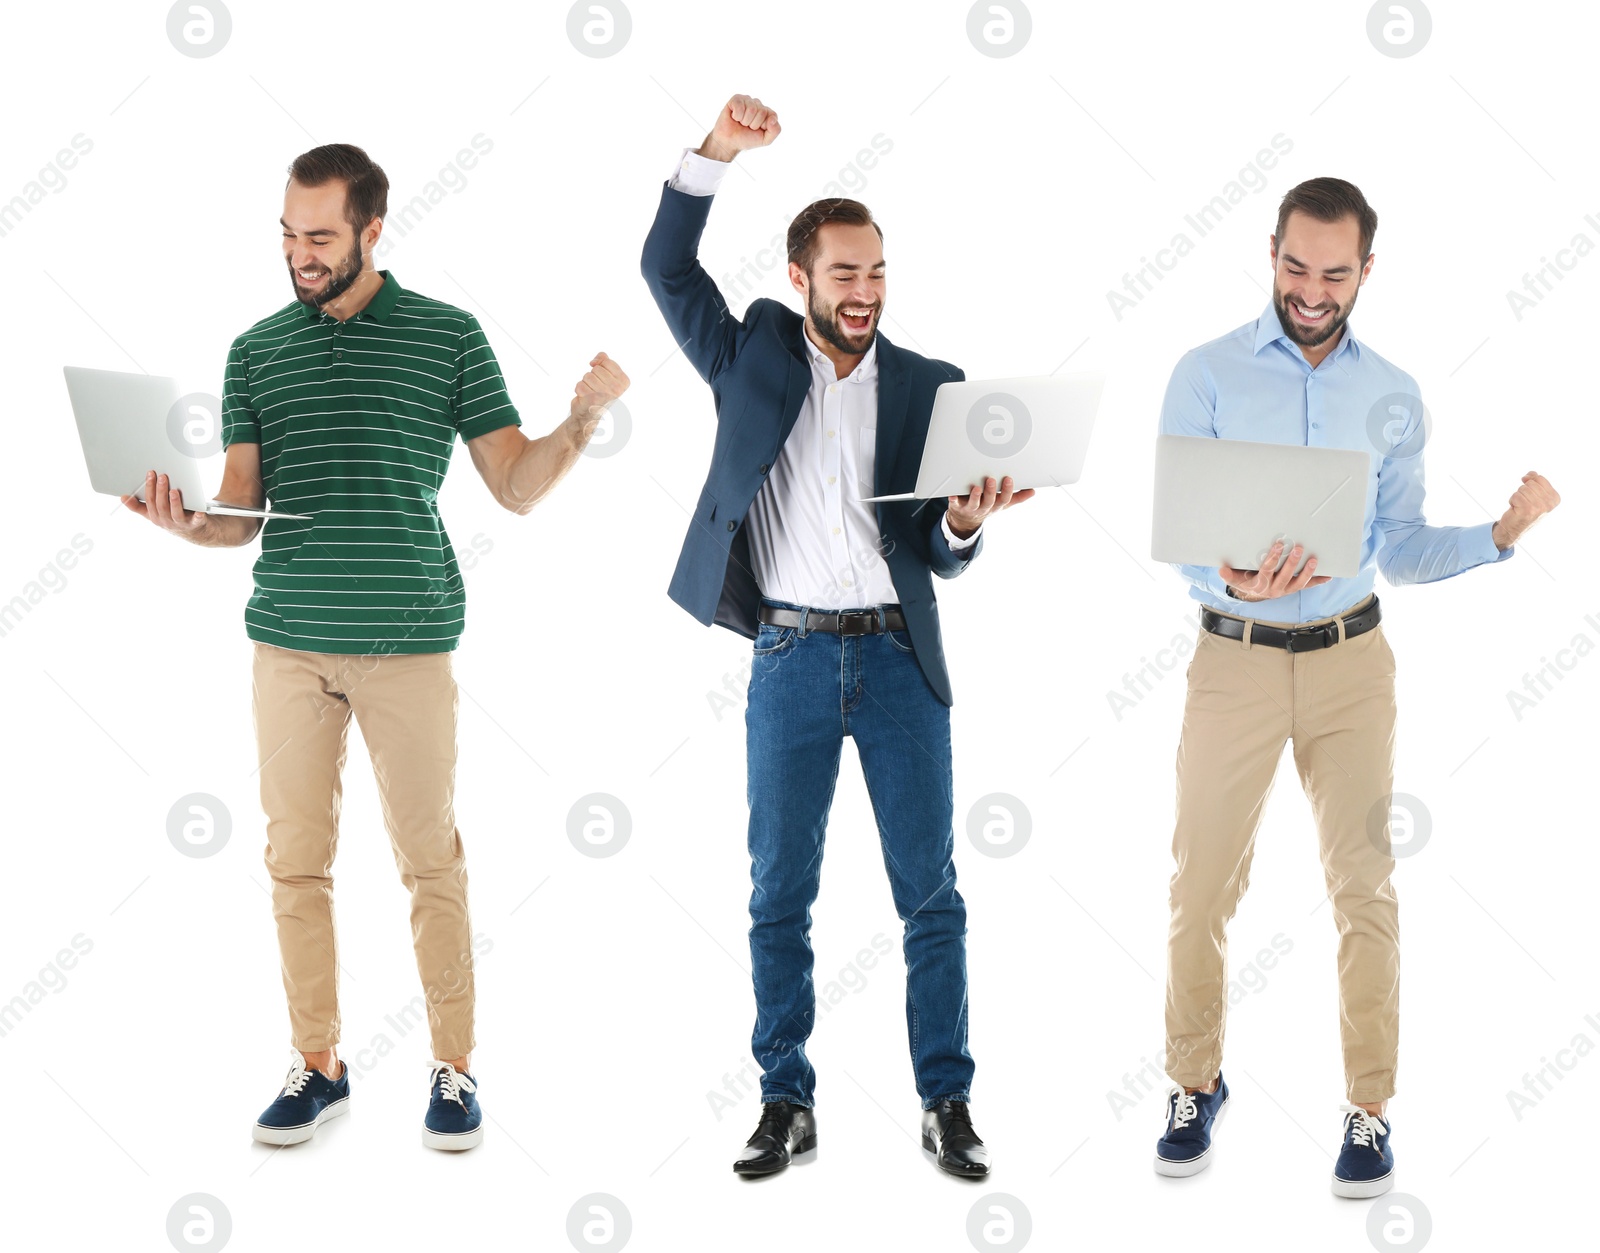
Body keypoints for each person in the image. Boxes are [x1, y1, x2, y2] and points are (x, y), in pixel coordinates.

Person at [123, 142, 629, 1152]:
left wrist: (581, 418)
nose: (299, 254)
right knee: (294, 862)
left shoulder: (445, 336)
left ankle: (453, 1065)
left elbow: (514, 488)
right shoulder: (256, 349)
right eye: (286, 234)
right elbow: (241, 514)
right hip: (289, 647)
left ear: (370, 229)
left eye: (319, 236)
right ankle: (317, 1065)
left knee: (428, 858)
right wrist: (189, 525)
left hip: (408, 640)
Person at [642, 94, 1030, 1178]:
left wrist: (961, 523)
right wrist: (717, 152)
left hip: (902, 659)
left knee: (930, 892)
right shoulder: (750, 354)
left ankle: (945, 1102)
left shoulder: (930, 385)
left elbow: (938, 546)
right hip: (790, 658)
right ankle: (784, 1098)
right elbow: (666, 269)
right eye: (844, 274)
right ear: (800, 278)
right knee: (779, 892)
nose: (863, 292)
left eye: (876, 273)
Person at [1152, 176, 1559, 1196]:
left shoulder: (1393, 393)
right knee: (1200, 883)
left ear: (1365, 270)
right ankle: (1193, 1081)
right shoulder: (1203, 373)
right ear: (1272, 251)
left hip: (1349, 666)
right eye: (1295, 265)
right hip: (1232, 660)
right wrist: (1227, 576)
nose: (1311, 288)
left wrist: (1499, 536)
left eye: (1335, 272)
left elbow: (1404, 546)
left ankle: (1367, 1110)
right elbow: (1180, 532)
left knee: (1362, 886)